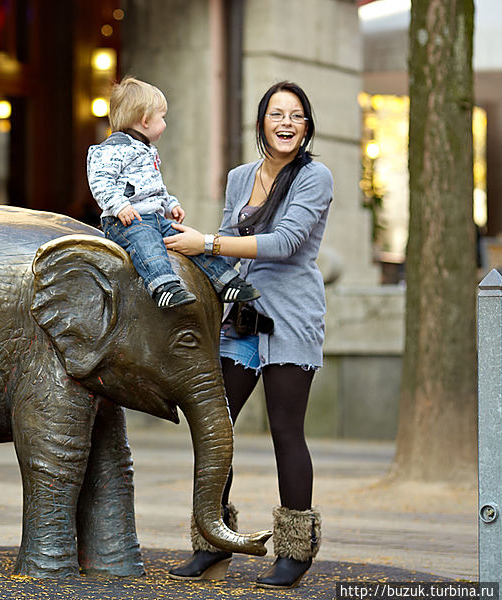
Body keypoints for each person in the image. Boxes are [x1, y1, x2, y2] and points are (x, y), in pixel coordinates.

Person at [163, 81, 332, 589]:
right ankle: (212, 544)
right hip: (240, 318)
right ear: (261, 121)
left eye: (296, 115)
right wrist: (183, 232)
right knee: (218, 428)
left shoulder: (315, 177)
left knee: (285, 429)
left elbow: (285, 243)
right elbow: (226, 245)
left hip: (292, 316)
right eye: (277, 113)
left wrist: (211, 241)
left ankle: (295, 553)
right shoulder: (241, 177)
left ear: (307, 125)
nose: (286, 123)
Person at [87, 77, 259, 309]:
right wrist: (119, 206)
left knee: (188, 241)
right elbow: (100, 181)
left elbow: (154, 188)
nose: (165, 123)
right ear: (146, 120)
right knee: (149, 246)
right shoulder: (114, 148)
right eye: (162, 117)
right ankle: (163, 286)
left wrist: (170, 204)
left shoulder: (146, 150)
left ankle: (226, 281)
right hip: (125, 222)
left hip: (153, 218)